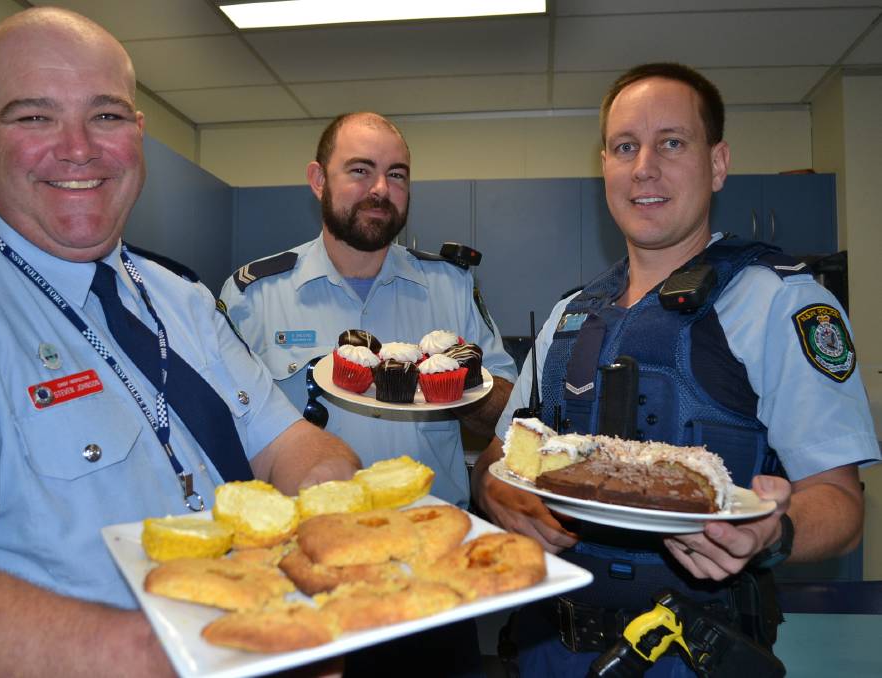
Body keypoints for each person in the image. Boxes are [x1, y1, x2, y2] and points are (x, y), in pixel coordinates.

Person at [0, 8, 359, 676]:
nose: (78, 147)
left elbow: (287, 444)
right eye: (34, 117)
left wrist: (332, 511)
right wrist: (165, 652)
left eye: (106, 115)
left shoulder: (182, 297)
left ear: (136, 134)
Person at [471, 62, 879, 676]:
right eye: (624, 147)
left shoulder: (781, 302)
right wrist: (498, 493)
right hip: (544, 649)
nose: (644, 169)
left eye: (671, 142)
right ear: (603, 164)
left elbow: (841, 505)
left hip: (691, 655)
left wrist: (772, 531)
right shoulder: (568, 315)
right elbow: (497, 459)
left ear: (717, 164)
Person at [219, 111, 517, 509]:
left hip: (430, 533)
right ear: (319, 180)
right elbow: (219, 431)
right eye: (360, 170)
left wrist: (454, 378)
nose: (380, 189)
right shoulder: (254, 296)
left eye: (397, 175)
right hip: (307, 533)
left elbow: (508, 419)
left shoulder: (451, 286)